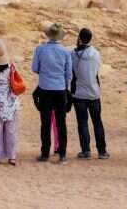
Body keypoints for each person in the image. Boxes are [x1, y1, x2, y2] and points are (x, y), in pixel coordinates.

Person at [31, 22, 72, 162]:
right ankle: (62, 153)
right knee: (61, 122)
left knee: (45, 122)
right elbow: (68, 74)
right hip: (60, 89)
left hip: (45, 88)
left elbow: (35, 68)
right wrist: (65, 86)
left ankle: (45, 153)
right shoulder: (66, 52)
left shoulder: (40, 49)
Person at [71, 28, 108, 159]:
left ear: (79, 38)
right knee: (97, 122)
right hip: (94, 92)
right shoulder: (96, 54)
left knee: (82, 122)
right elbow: (96, 71)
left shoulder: (73, 54)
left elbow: (71, 73)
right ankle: (102, 151)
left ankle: (86, 151)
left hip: (79, 93)